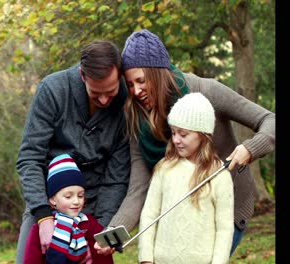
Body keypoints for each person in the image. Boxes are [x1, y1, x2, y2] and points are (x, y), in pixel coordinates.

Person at [108, 29, 275, 255]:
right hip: (181, 212)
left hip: (225, 207)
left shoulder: (207, 91)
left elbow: (270, 120)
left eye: (141, 81)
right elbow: (139, 186)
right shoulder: (137, 117)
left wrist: (250, 148)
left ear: (158, 73)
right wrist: (113, 232)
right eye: (129, 85)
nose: (136, 91)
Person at [15, 40, 131, 264]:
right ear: (82, 75)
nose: (105, 100)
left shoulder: (127, 103)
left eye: (111, 91)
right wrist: (44, 216)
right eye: (96, 93)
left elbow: (117, 176)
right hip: (49, 201)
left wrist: (102, 230)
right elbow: (30, 157)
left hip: (94, 203)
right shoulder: (53, 90)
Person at [138, 92, 234, 263]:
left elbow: (224, 229)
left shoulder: (219, 176)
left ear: (202, 136)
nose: (176, 140)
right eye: (173, 133)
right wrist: (146, 258)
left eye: (183, 134)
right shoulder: (164, 168)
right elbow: (149, 215)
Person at [23, 153, 115, 264]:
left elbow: (103, 250)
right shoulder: (41, 230)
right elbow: (31, 260)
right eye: (68, 196)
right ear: (52, 199)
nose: (76, 201)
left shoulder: (89, 224)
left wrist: (108, 245)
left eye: (80, 195)